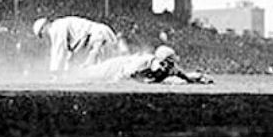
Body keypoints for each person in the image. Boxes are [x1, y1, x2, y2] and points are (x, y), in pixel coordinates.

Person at [76, 45, 214, 84]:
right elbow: (123, 75)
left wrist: (200, 78)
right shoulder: (142, 63)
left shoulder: (170, 68)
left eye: (172, 63)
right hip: (118, 66)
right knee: (91, 74)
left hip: (127, 70)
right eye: (168, 63)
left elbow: (186, 77)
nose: (171, 66)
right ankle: (71, 74)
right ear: (161, 62)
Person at [32, 15, 119, 73]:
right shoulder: (61, 24)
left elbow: (58, 52)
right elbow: (70, 54)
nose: (44, 36)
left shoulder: (55, 28)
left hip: (98, 38)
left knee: (103, 72)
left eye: (41, 34)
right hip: (101, 36)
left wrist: (54, 74)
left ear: (43, 28)